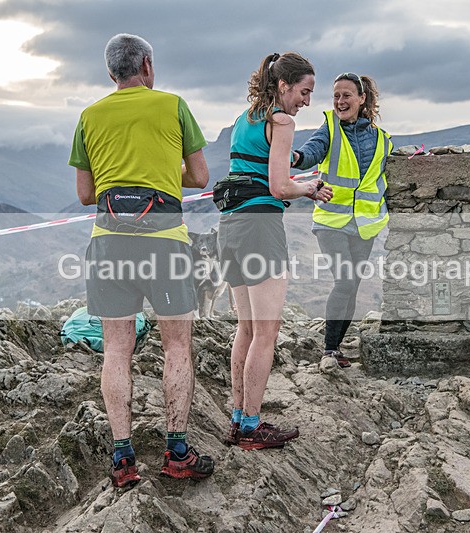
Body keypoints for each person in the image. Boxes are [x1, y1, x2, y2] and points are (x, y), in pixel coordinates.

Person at [68, 33, 215, 487]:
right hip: (165, 241)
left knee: (116, 350)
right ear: (147, 65)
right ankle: (176, 453)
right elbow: (200, 176)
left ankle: (123, 460)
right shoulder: (172, 106)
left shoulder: (89, 116)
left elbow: (85, 194)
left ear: (111, 72)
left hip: (109, 242)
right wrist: (162, 173)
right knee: (176, 346)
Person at [217, 52, 333, 450]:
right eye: (305, 91)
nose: (307, 100)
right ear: (284, 86)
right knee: (266, 332)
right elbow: (280, 186)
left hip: (230, 228)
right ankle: (251, 425)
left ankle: (238, 417)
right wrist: (310, 188)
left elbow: (254, 172)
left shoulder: (242, 120)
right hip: (260, 228)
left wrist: (294, 184)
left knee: (245, 329)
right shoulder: (281, 122)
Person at [292, 73, 392, 368]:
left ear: (362, 99)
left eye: (346, 95)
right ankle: (329, 348)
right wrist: (296, 157)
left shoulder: (383, 140)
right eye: (336, 95)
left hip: (365, 224)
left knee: (353, 285)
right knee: (345, 281)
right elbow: (312, 152)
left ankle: (335, 349)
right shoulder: (330, 129)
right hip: (331, 221)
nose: (340, 101)